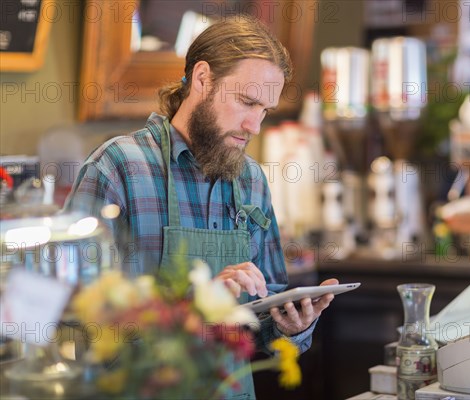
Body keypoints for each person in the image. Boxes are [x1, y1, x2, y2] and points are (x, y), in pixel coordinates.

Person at [65, 15, 337, 399]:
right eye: (246, 101)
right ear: (202, 78)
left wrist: (293, 324)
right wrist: (192, 313)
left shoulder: (251, 181)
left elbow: (260, 325)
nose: (254, 125)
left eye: (264, 110)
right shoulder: (117, 168)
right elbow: (75, 316)